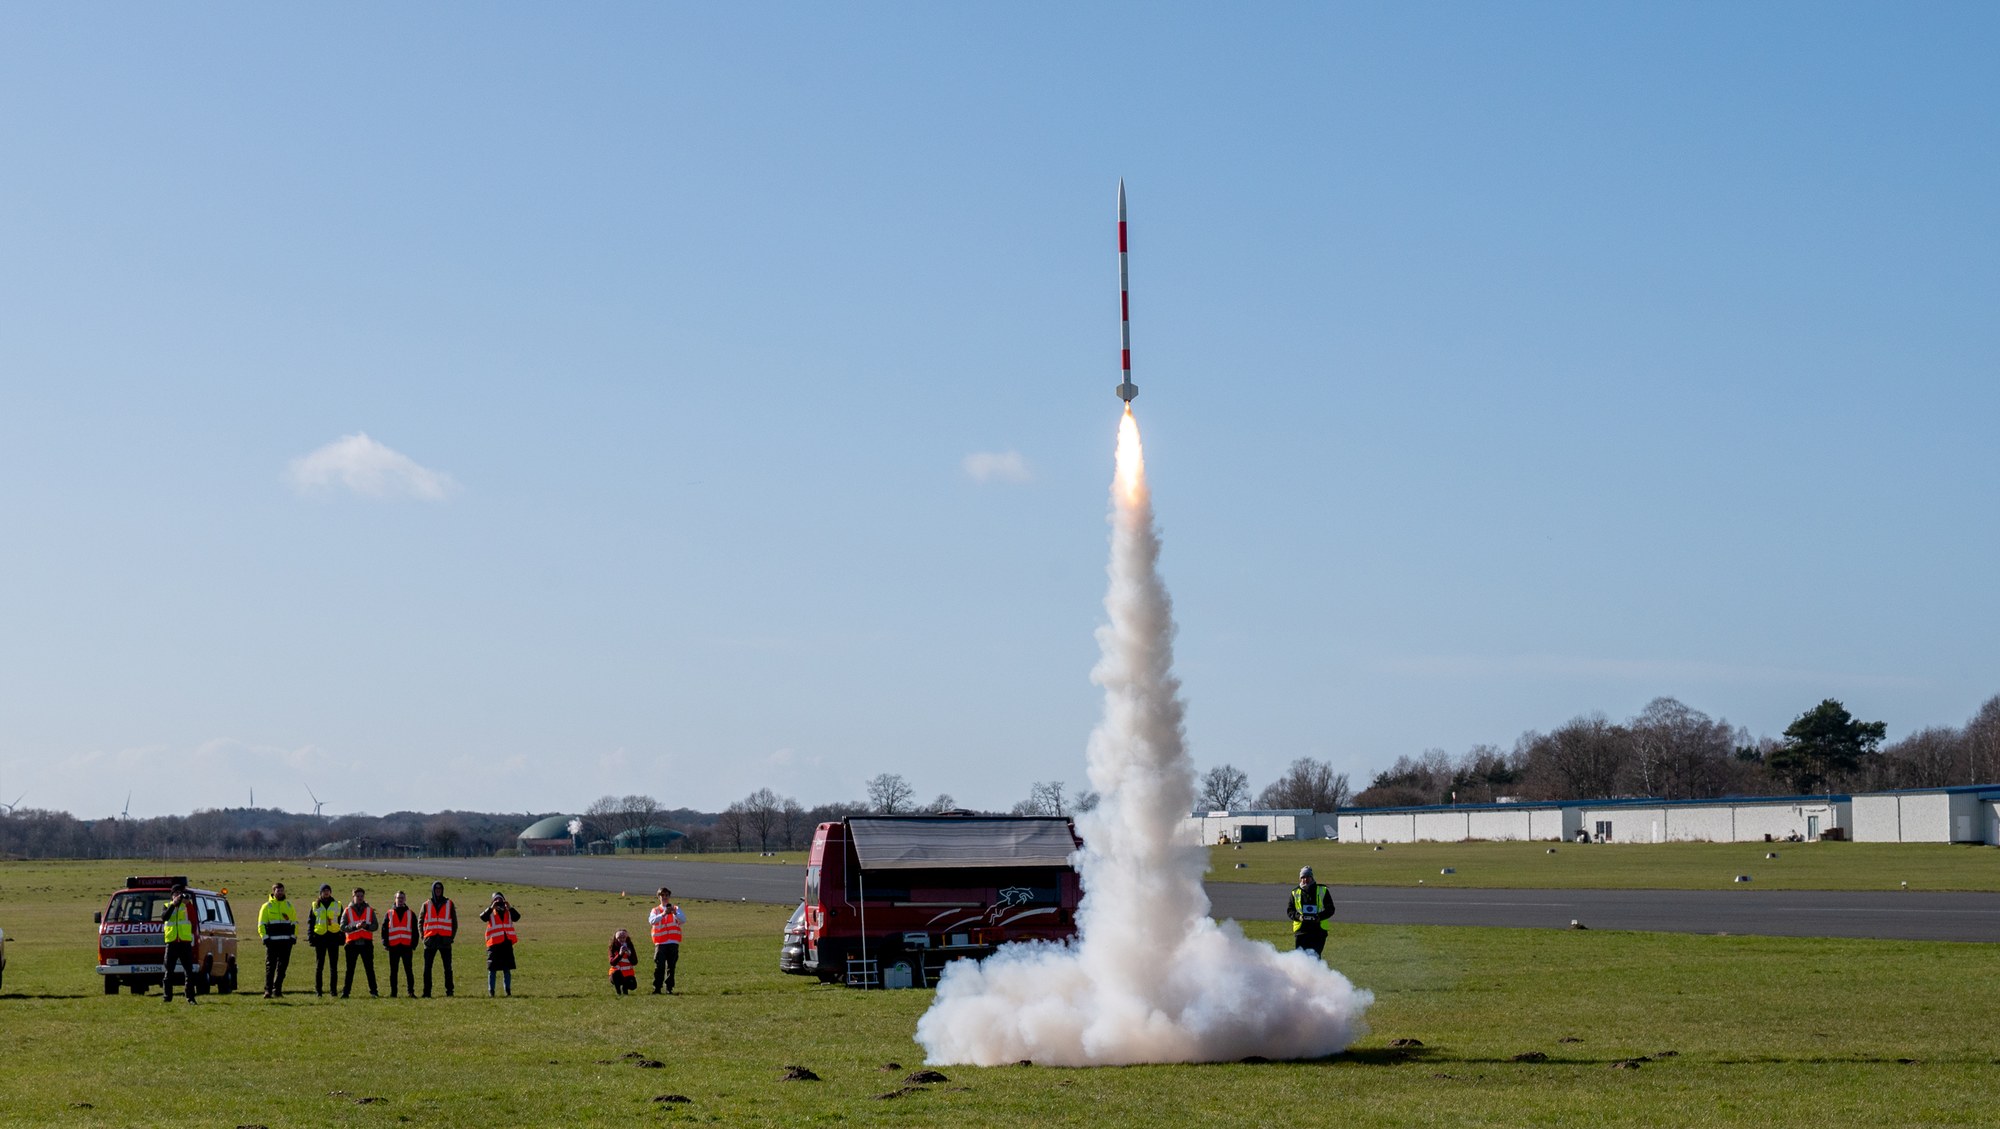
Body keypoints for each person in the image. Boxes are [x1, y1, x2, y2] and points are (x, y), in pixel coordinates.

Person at [158, 881, 199, 1004]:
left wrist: (188, 904)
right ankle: (167, 997)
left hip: (184, 942)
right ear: (172, 895)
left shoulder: (186, 907)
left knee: (189, 971)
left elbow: (194, 919)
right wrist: (173, 904)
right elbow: (164, 917)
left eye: (180, 893)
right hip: (171, 942)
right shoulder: (167, 905)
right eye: (176, 893)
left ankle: (190, 997)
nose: (178, 895)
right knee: (169, 971)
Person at [257, 882, 298, 998]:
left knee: (282, 968)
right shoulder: (267, 906)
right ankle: (268, 990)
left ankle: (278, 990)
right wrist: (264, 938)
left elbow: (294, 922)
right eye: (278, 891)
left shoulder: (289, 905)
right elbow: (261, 924)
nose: (280, 893)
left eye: (282, 890)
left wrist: (293, 937)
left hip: (286, 942)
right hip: (272, 942)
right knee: (270, 967)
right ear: (273, 892)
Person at [418, 881, 458, 998]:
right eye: (436, 889)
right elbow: (420, 922)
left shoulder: (449, 903)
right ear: (433, 890)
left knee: (448, 968)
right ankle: (427, 992)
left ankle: (449, 991)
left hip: (445, 941)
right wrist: (423, 937)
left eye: (440, 888)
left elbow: (454, 923)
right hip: (430, 941)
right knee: (427, 968)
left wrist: (451, 937)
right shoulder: (426, 904)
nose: (438, 890)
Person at [1286, 866, 1334, 958]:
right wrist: (1299, 917)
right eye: (1302, 877)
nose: (1305, 879)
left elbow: (1331, 909)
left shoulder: (1322, 890)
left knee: (1315, 958)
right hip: (1301, 931)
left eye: (1307, 877)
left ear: (1311, 877)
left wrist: (1319, 917)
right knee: (1300, 958)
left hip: (1318, 931)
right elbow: (1290, 910)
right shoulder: (1295, 892)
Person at [479, 891, 521, 996]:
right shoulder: (491, 912)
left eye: (500, 899)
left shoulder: (508, 911)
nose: (498, 902)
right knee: (492, 969)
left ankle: (508, 990)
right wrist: (491, 907)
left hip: (506, 943)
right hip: (494, 944)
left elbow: (517, 917)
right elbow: (482, 917)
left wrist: (510, 907)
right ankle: (491, 991)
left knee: (507, 969)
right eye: (496, 900)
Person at [340, 887, 380, 998]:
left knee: (369, 969)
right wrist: (355, 927)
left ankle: (374, 991)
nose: (360, 898)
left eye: (361, 896)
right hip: (352, 944)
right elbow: (342, 927)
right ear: (353, 897)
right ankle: (346, 992)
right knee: (350, 970)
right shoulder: (347, 910)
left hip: (366, 943)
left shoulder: (369, 910)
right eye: (357, 896)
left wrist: (366, 926)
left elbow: (375, 926)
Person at [307, 883, 343, 995]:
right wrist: (310, 937)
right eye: (324, 891)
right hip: (320, 938)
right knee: (319, 966)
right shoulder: (315, 905)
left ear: (331, 892)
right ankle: (319, 990)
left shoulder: (337, 904)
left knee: (333, 967)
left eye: (328, 890)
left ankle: (333, 991)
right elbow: (311, 922)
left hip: (333, 937)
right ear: (320, 893)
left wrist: (342, 936)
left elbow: (342, 920)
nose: (326, 893)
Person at [381, 891, 418, 998]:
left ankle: (411, 992)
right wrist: (385, 944)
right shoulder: (389, 913)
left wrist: (414, 944)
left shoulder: (411, 913)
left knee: (409, 971)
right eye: (398, 898)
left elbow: (415, 931)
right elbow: (384, 930)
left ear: (405, 899)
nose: (400, 900)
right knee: (393, 971)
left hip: (406, 946)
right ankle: (394, 993)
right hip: (394, 946)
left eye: (402, 898)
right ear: (395, 899)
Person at [648, 888, 684, 994]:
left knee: (671, 967)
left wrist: (674, 913)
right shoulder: (655, 910)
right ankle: (657, 988)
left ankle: (669, 988)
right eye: (662, 895)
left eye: (666, 895)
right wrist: (663, 914)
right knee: (659, 966)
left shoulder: (676, 908)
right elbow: (652, 921)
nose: (664, 897)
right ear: (659, 897)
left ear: (669, 897)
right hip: (660, 943)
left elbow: (683, 920)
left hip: (673, 942)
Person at [608, 929, 638, 995]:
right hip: (616, 975)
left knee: (633, 986)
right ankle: (618, 992)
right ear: (615, 938)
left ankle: (625, 989)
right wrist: (620, 955)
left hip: (628, 974)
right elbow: (612, 962)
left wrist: (629, 955)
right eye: (619, 938)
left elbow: (635, 962)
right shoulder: (613, 947)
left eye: (623, 937)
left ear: (626, 938)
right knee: (616, 973)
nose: (622, 939)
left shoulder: (630, 946)